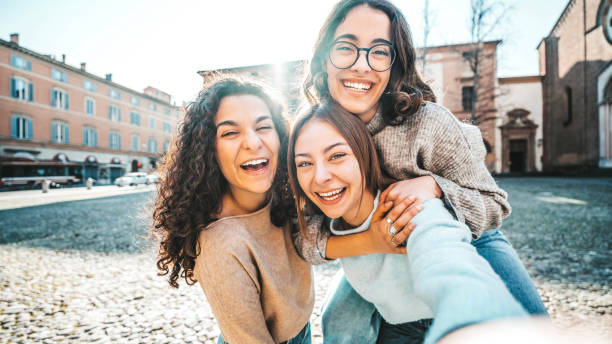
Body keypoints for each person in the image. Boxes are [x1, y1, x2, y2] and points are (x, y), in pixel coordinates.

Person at [296, 0, 548, 341]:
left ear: (394, 65)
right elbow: (302, 234)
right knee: (338, 320)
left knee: (531, 322)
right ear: (323, 58)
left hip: (465, 236)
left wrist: (434, 185)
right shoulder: (313, 133)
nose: (360, 65)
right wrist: (368, 242)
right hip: (374, 249)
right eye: (346, 48)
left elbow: (494, 203)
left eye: (379, 52)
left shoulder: (427, 123)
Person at [287, 101, 527, 344]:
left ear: (363, 155)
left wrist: (465, 298)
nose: (321, 177)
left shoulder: (406, 206)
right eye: (304, 163)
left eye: (337, 156)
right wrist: (370, 241)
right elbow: (303, 242)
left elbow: (443, 250)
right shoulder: (329, 220)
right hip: (397, 326)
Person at [151, 77, 313, 344]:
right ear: (208, 150)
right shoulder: (221, 243)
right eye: (230, 132)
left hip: (301, 329)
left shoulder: (283, 193)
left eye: (263, 126)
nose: (252, 142)